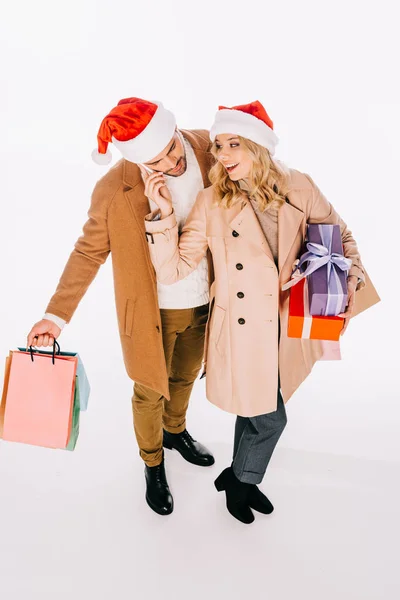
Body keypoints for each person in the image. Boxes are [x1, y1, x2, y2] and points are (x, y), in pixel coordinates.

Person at [142, 100, 380, 524]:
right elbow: (174, 268)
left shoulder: (298, 185)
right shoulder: (212, 202)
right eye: (218, 145)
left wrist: (351, 275)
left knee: (255, 406)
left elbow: (339, 232)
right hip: (241, 329)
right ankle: (241, 481)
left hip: (288, 321)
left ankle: (238, 477)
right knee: (268, 417)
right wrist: (161, 215)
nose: (224, 155)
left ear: (259, 146)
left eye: (235, 143)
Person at [26, 97, 216, 517]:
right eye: (158, 160)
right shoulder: (115, 189)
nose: (171, 161)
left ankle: (176, 431)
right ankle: (153, 462)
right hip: (151, 313)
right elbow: (88, 252)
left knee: (185, 376)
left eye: (171, 147)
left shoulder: (205, 147)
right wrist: (55, 315)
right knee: (151, 389)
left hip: (206, 299)